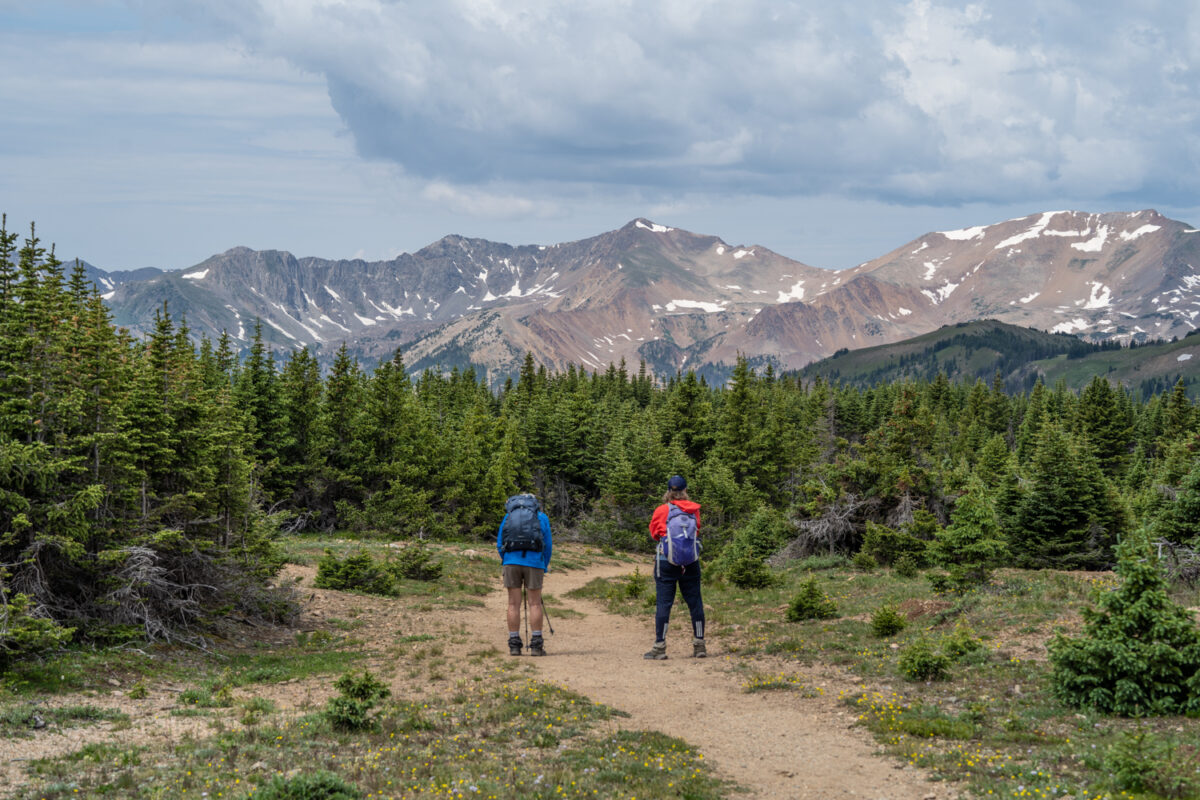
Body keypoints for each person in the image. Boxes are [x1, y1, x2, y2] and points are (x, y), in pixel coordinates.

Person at [644, 474, 706, 660]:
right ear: (685, 490)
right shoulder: (694, 510)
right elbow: (698, 529)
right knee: (695, 602)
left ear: (669, 491)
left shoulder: (662, 510)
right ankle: (699, 645)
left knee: (664, 604)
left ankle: (660, 647)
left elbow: (655, 534)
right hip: (690, 562)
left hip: (666, 562)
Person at [497, 493, 553, 656]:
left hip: (511, 562)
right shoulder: (541, 517)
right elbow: (547, 545)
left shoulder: (508, 516)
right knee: (535, 603)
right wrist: (543, 565)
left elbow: (500, 543)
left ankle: (514, 645)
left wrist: (506, 559)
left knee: (513, 604)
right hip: (534, 562)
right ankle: (536, 645)